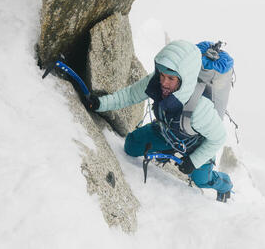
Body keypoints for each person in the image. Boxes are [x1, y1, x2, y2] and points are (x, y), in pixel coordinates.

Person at [86, 40, 233, 202]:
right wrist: (100, 104)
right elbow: (129, 95)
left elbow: (218, 138)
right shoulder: (156, 83)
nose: (164, 83)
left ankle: (225, 185)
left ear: (184, 79)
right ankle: (169, 149)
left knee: (202, 180)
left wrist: (193, 161)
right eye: (162, 75)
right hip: (167, 132)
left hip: (196, 146)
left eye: (171, 78)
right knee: (131, 146)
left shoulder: (199, 108)